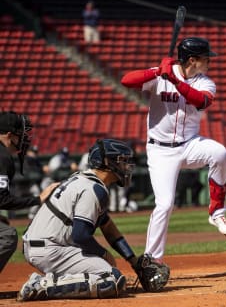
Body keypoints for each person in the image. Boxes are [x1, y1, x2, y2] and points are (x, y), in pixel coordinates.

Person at [121, 36, 226, 265]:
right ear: (192, 60)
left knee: (219, 152)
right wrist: (156, 73)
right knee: (164, 204)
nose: (209, 62)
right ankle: (152, 261)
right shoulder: (162, 73)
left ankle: (217, 212)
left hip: (190, 144)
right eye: (206, 59)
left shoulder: (205, 82)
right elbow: (126, 80)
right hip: (161, 151)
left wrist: (174, 79)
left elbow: (201, 101)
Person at [17, 139, 139, 301]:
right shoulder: (93, 189)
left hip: (44, 245)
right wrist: (104, 254)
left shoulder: (85, 180)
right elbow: (80, 235)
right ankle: (42, 285)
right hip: (50, 249)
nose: (126, 166)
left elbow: (108, 227)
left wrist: (134, 261)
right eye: (121, 160)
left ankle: (50, 282)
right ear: (106, 162)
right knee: (110, 279)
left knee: (108, 272)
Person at [0, 111, 59, 273]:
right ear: (9, 135)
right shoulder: (2, 156)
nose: (22, 140)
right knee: (7, 235)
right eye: (19, 135)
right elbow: (2, 200)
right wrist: (37, 199)